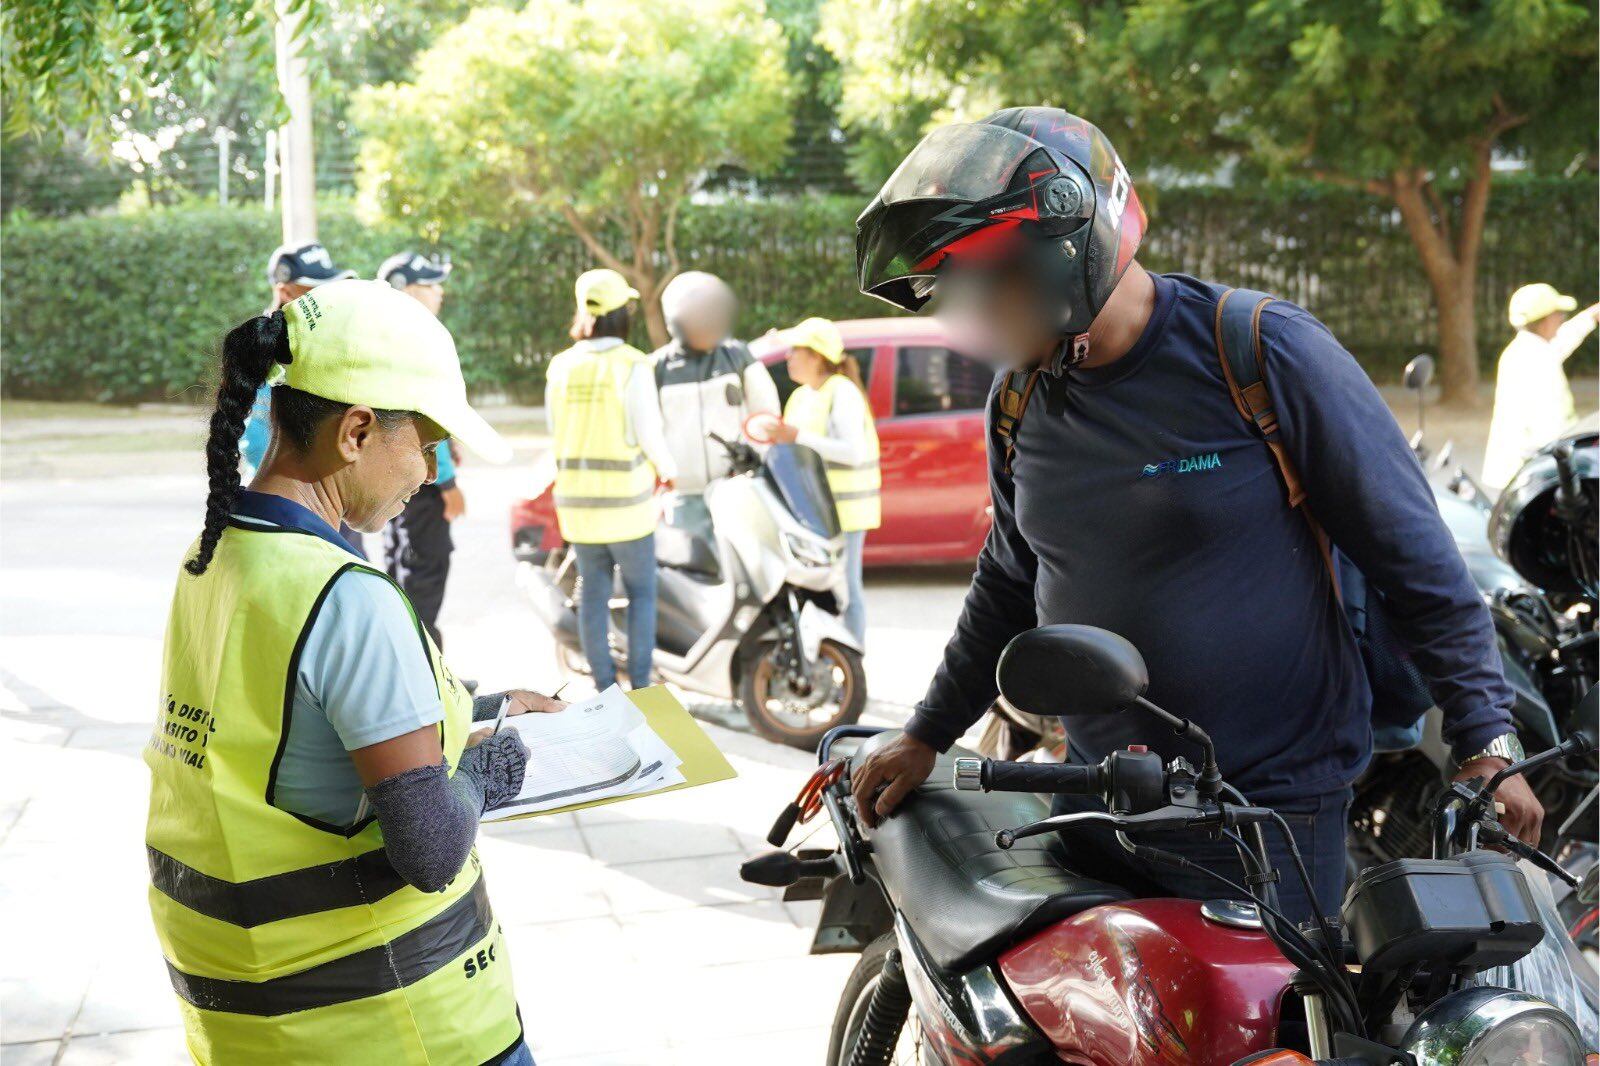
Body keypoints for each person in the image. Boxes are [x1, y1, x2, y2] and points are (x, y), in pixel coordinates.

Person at [846, 107, 1538, 926]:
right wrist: (929, 730)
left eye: (982, 280)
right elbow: (1011, 574)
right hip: (1101, 792)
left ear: (1068, 249)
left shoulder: (1258, 351)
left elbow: (1413, 559)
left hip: (1268, 809)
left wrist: (1486, 743)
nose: (969, 315)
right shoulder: (1022, 398)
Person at [145, 279, 558, 1064]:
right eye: (427, 442)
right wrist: (484, 769)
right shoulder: (348, 597)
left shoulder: (216, 554)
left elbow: (281, 729)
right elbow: (431, 848)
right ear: (358, 431)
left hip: (253, 1030)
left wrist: (489, 705)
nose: (431, 472)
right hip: (395, 1027)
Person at [546, 268, 676, 690]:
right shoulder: (632, 364)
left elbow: (554, 431)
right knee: (641, 594)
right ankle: (640, 686)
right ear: (623, 312)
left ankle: (604, 688)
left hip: (578, 510)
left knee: (593, 598)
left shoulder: (560, 366)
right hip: (627, 510)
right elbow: (648, 431)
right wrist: (669, 472)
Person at [240, 242, 367, 556]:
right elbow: (256, 442)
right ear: (285, 293)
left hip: (327, 500)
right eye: (315, 290)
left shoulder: (318, 343)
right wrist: (307, 494)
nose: (327, 299)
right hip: (295, 511)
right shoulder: (263, 352)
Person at [768, 317, 880, 645]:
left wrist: (796, 436)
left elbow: (853, 453)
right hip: (814, 512)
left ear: (816, 356)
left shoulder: (841, 393)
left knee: (846, 590)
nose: (788, 357)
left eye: (795, 350)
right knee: (824, 591)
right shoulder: (802, 396)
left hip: (844, 514)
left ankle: (853, 658)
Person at [652, 271, 780, 538]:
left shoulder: (737, 356)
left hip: (734, 487)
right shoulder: (657, 367)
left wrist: (752, 454)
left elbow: (766, 413)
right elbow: (647, 429)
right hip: (683, 495)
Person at [378, 250, 464, 646]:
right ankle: (427, 676)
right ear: (406, 290)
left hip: (393, 478)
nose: (439, 292)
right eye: (431, 285)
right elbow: (424, 420)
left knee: (400, 568)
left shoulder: (381, 335)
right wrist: (447, 485)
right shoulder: (417, 339)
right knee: (423, 575)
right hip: (423, 486)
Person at [1482, 283, 1599, 489]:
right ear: (1545, 321)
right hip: (1529, 473)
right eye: (1557, 314)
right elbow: (1549, 428)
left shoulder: (1527, 349)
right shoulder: (1535, 361)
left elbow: (1565, 338)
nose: (1562, 318)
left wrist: (1591, 316)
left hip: (1517, 470)